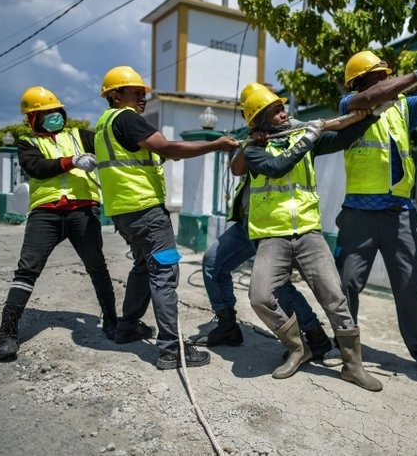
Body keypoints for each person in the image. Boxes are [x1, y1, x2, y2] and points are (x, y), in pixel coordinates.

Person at [94, 65, 238, 370]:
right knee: (165, 273)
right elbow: (169, 148)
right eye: (135, 92)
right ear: (115, 95)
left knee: (144, 268)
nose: (142, 97)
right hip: (147, 214)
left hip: (124, 214)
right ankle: (172, 349)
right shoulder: (128, 119)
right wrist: (215, 144)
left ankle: (128, 327)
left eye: (144, 93)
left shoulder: (104, 125)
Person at [332, 52, 417, 381]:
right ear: (359, 82)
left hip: (399, 214)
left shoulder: (404, 107)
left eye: (385, 75)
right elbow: (372, 97)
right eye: (377, 76)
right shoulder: (350, 105)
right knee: (346, 283)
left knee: (410, 286)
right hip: (358, 214)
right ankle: (345, 346)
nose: (385, 81)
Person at [241, 83, 383, 391]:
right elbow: (278, 167)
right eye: (276, 111)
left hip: (308, 232)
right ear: (260, 120)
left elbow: (344, 136)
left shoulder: (303, 139)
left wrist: (371, 114)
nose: (284, 113)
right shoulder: (253, 150)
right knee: (260, 296)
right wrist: (308, 135)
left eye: (283, 108)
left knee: (335, 296)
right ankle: (297, 348)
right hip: (272, 236)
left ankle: (352, 365)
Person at [0, 86, 117, 362]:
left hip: (83, 210)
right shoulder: (28, 143)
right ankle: (7, 334)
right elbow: (36, 168)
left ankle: (111, 321)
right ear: (32, 119)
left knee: (97, 266)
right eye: (44, 113)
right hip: (45, 213)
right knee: (27, 270)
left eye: (55, 111)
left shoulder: (79, 136)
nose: (52, 116)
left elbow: (106, 142)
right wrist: (71, 161)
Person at [194, 119, 333, 359]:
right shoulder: (253, 141)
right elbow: (236, 168)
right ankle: (227, 325)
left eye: (279, 109)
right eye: (270, 110)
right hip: (247, 223)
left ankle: (315, 335)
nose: (280, 115)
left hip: (274, 225)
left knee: (277, 286)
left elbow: (280, 165)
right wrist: (251, 144)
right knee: (212, 263)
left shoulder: (293, 134)